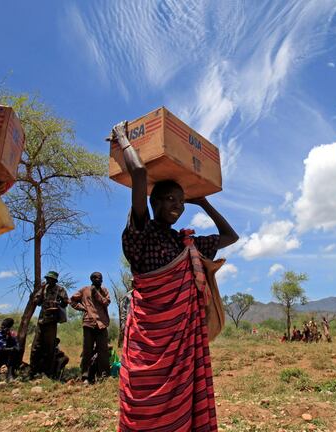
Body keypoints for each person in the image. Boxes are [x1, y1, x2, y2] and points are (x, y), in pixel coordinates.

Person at [112, 121, 238, 432]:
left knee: (180, 410)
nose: (177, 207)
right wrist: (122, 138)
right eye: (170, 199)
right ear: (153, 201)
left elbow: (230, 236)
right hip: (148, 342)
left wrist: (203, 201)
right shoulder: (139, 235)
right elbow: (140, 174)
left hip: (181, 347)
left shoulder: (186, 242)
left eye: (181, 203)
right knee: (144, 409)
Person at [70, 271, 111, 383]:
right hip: (88, 323)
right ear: (92, 279)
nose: (99, 280)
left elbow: (106, 302)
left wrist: (96, 293)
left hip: (102, 324)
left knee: (103, 350)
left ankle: (104, 376)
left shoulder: (104, 290)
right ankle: (85, 376)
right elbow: (72, 300)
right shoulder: (84, 290)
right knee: (87, 350)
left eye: (101, 278)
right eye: (97, 278)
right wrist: (82, 308)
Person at [29, 271, 69, 378]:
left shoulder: (60, 289)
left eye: (51, 279)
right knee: (35, 347)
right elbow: (36, 301)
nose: (48, 281)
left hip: (52, 322)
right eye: (47, 279)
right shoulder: (44, 288)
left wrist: (58, 304)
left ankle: (49, 373)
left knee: (50, 348)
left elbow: (65, 302)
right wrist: (40, 291)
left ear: (55, 280)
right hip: (41, 320)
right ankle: (33, 371)